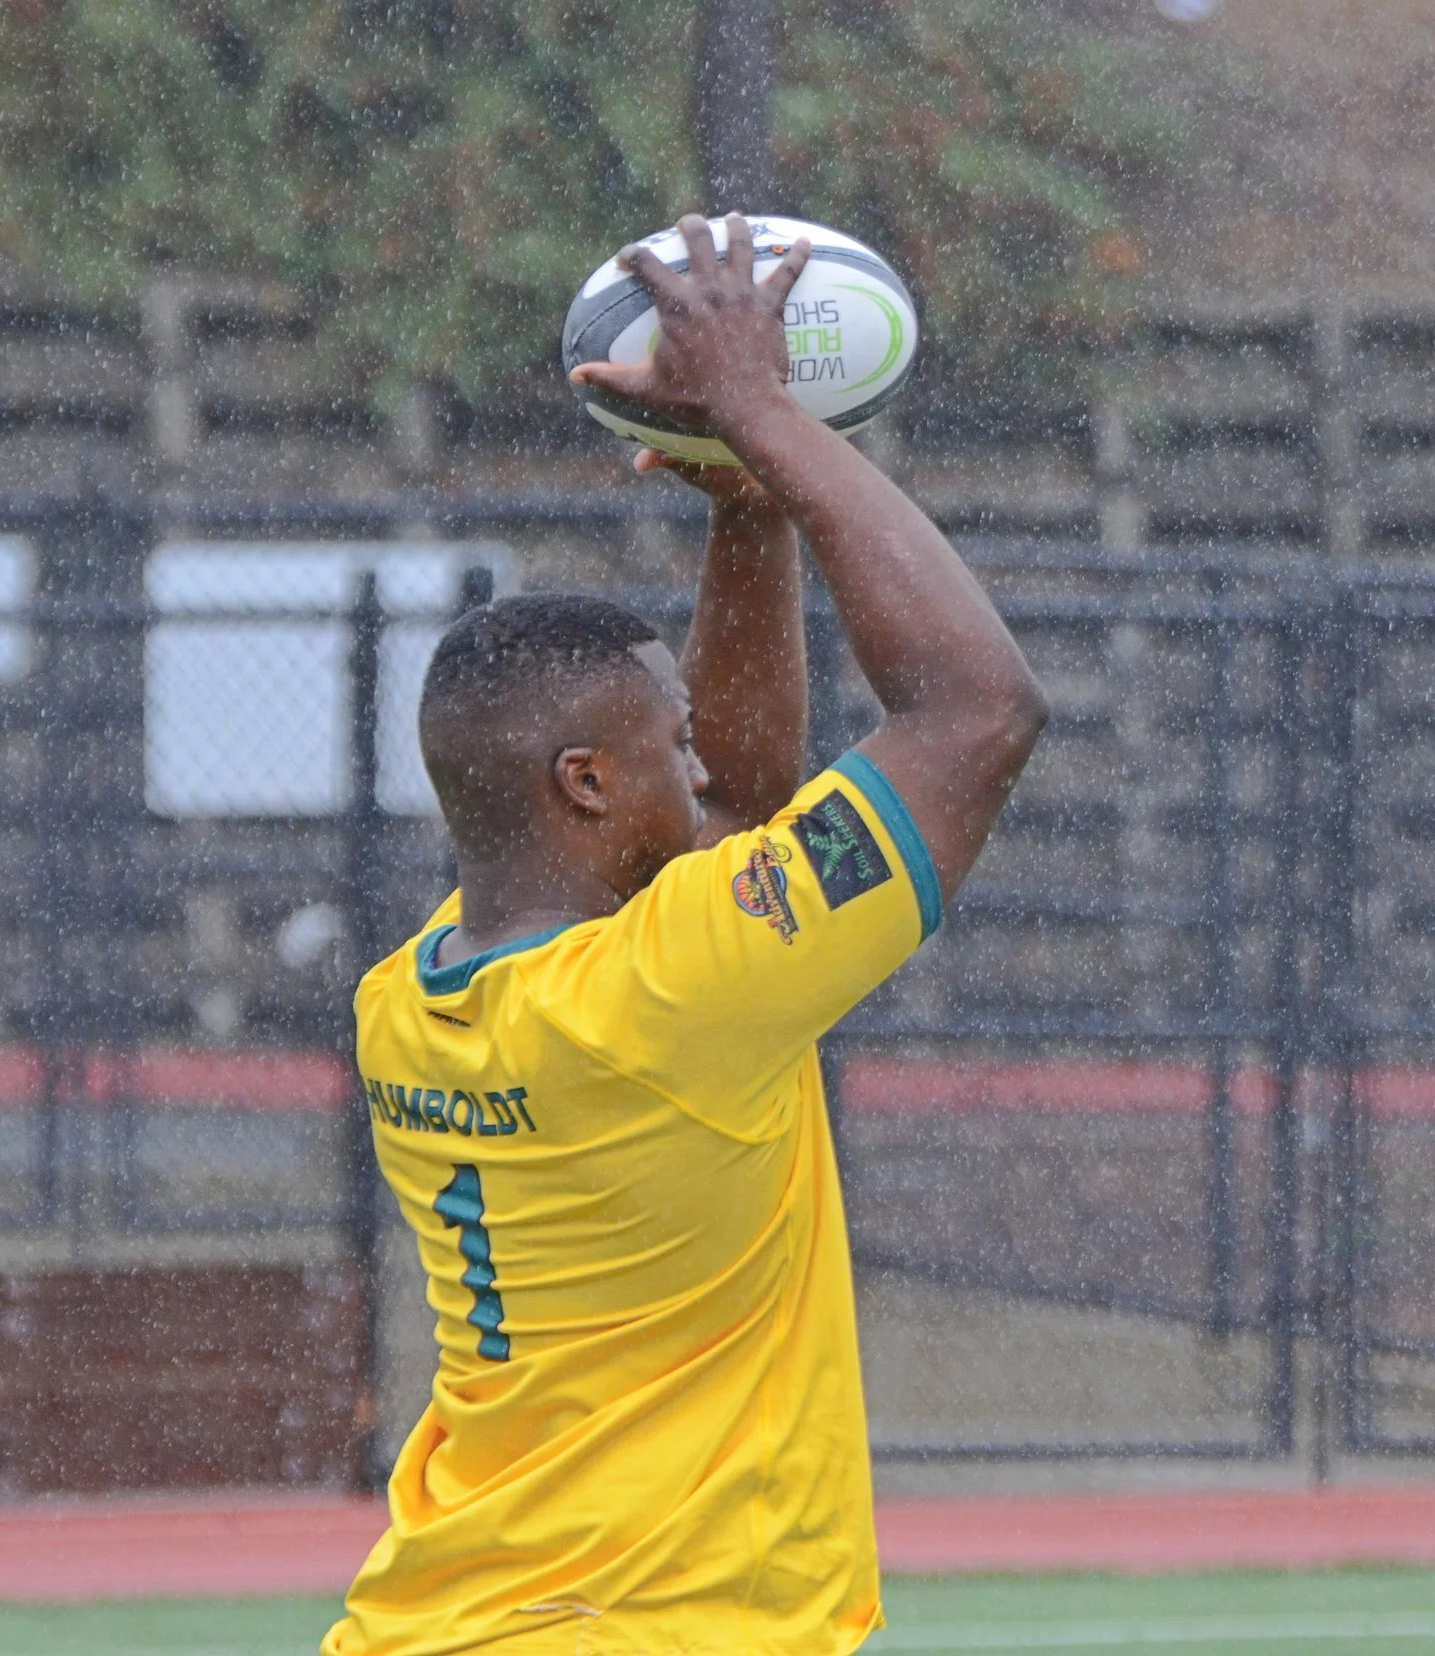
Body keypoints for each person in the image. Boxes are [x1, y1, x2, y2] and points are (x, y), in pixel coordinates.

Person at [325, 212, 1046, 1656]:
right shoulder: (668, 995)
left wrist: (747, 511)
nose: (704, 764)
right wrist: (770, 420)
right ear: (588, 785)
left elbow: (741, 811)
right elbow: (978, 712)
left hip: (441, 1619)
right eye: (673, 743)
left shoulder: (411, 999)